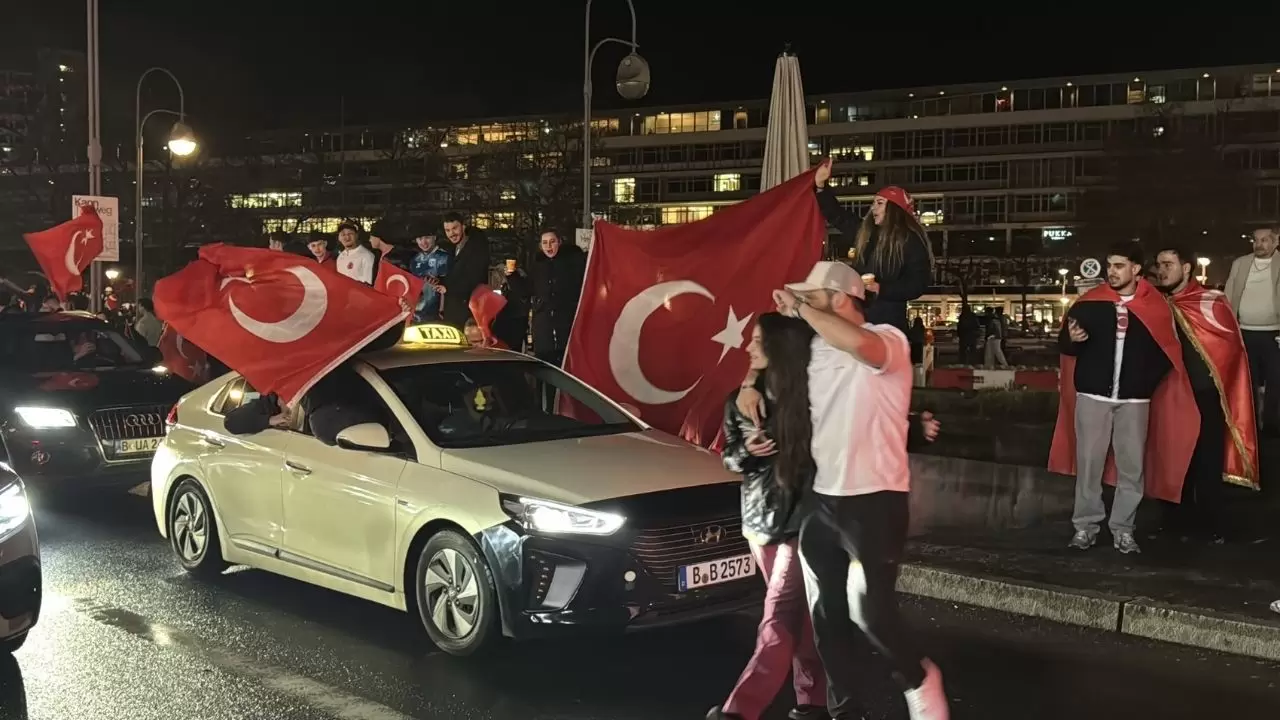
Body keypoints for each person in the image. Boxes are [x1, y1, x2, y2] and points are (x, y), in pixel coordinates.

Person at [735, 261, 947, 720]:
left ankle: (921, 681)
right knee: (826, 617)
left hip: (876, 499)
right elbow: (764, 352)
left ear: (839, 297)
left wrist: (800, 310)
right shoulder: (811, 347)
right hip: (821, 500)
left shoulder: (888, 338)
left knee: (871, 614)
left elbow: (860, 347)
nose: (802, 304)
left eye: (811, 296)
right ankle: (845, 709)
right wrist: (748, 385)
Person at [708, 313, 827, 720]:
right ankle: (813, 703)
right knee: (800, 617)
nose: (747, 348)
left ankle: (739, 710)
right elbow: (729, 457)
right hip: (758, 523)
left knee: (778, 615)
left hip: (802, 524)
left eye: (757, 340)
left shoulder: (813, 401)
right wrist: (747, 452)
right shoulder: (739, 400)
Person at [1050, 242, 1197, 555]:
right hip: (1092, 397)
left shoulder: (1155, 305)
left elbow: (1167, 350)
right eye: (1110, 265)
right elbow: (1067, 343)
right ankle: (1085, 527)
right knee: (1089, 466)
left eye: (1119, 265)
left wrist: (1142, 384)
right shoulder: (1090, 302)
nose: (1112, 272)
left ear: (1136, 269)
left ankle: (1124, 530)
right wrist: (1071, 341)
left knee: (1132, 469)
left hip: (1134, 401)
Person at [1155, 247, 1260, 541]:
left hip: (1204, 395)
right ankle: (1176, 522)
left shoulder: (1210, 301)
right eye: (1158, 265)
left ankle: (1213, 524)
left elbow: (1230, 348)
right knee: (1173, 459)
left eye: (1168, 264)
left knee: (1207, 460)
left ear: (1186, 268)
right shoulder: (1155, 304)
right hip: (1168, 396)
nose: (1161, 270)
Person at [812, 157, 933, 332]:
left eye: (880, 203)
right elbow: (838, 215)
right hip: (857, 318)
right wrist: (821, 187)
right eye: (874, 203)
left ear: (894, 209)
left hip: (887, 324)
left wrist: (881, 289)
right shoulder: (866, 232)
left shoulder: (911, 241)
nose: (873, 208)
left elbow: (917, 284)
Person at [1223, 224, 1280, 436]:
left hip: (1275, 334)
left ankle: (1272, 425)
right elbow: (1229, 294)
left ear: (1275, 242)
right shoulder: (1240, 263)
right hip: (1244, 332)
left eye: (1265, 240)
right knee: (1247, 381)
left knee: (1276, 381)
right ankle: (1250, 424)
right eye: (1256, 240)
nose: (1259, 244)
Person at [530, 228, 586, 367]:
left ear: (559, 243)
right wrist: (512, 277)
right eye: (545, 243)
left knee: (566, 367)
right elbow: (527, 289)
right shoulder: (537, 267)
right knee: (545, 369)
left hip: (566, 327)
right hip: (544, 332)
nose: (548, 246)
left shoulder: (573, 263)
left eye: (552, 242)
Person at [440, 212, 491, 329]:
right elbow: (455, 276)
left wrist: (448, 288)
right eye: (447, 230)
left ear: (463, 226)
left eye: (454, 228)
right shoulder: (452, 249)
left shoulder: (476, 248)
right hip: (455, 311)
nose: (451, 233)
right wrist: (440, 281)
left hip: (469, 314)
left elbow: (475, 278)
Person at [408, 228, 451, 323]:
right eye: (419, 238)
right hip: (417, 316)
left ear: (434, 237)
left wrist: (442, 310)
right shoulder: (414, 260)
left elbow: (450, 287)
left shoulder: (445, 257)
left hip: (438, 316)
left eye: (427, 237)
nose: (423, 242)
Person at [335, 221, 376, 285]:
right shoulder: (340, 257)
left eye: (350, 233)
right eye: (343, 235)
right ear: (339, 238)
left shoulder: (367, 256)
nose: (347, 237)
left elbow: (368, 286)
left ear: (357, 235)